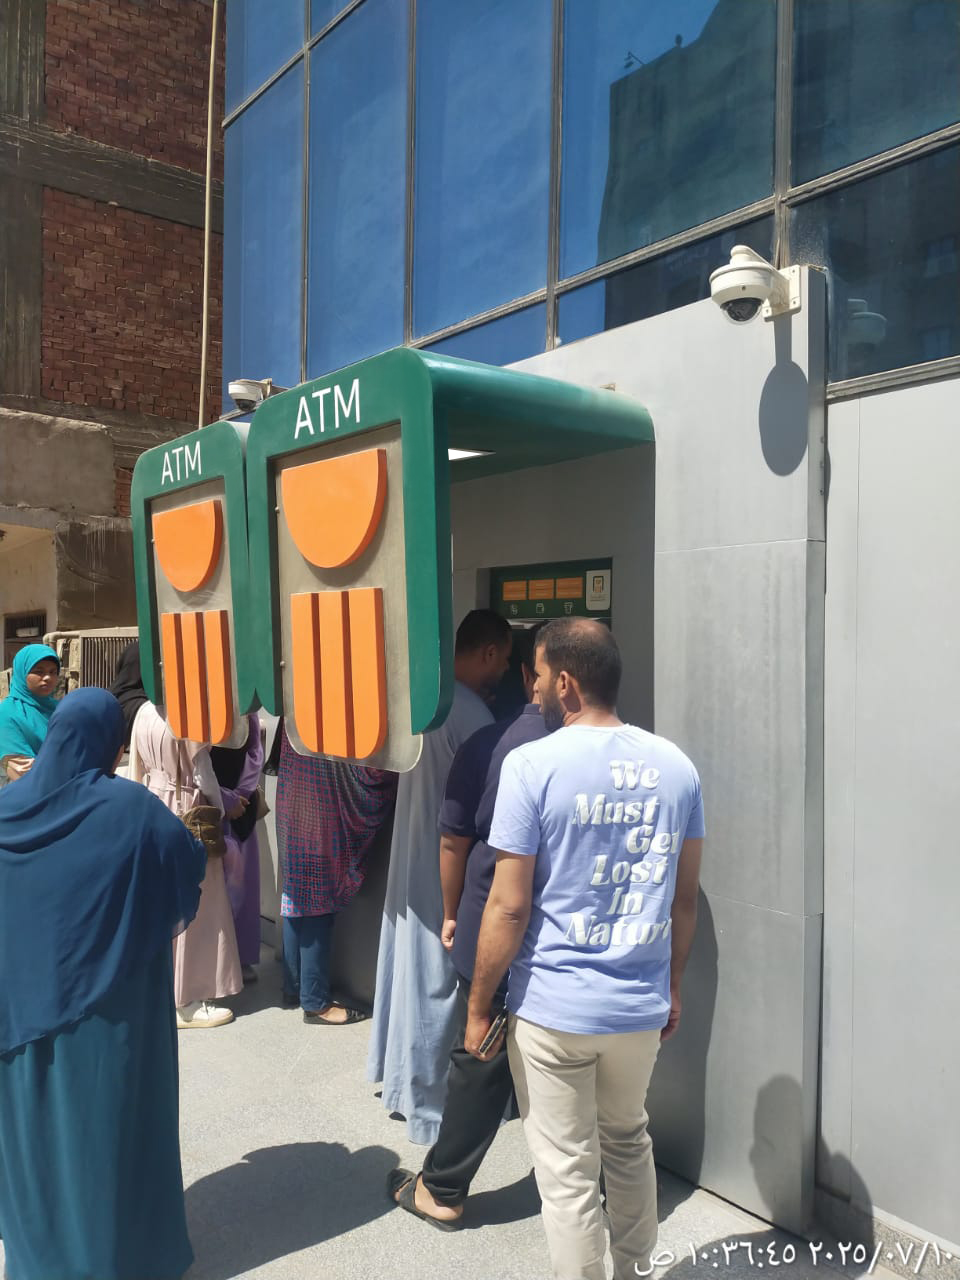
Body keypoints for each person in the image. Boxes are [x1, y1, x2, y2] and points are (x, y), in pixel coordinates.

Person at [465, 619, 705, 1280]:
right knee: (628, 1142)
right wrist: (672, 987)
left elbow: (508, 906)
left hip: (555, 1008)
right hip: (638, 1006)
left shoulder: (531, 766)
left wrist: (479, 1007)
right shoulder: (677, 767)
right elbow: (684, 900)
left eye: (540, 675)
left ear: (566, 682)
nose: (534, 688)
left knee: (567, 1174)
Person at [0, 688, 205, 1280]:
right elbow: (186, 862)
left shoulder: (6, 810)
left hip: (19, 1012)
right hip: (111, 1007)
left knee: (36, 1139)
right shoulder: (130, 809)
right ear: (110, 743)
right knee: (109, 1130)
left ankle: (40, 1261)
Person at [389, 624, 547, 1228]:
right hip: (582, 955)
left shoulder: (491, 739)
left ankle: (444, 1187)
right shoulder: (646, 758)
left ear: (536, 676)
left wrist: (452, 911)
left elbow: (456, 842)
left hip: (498, 935)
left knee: (481, 1050)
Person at [367, 608, 512, 1144]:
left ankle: (401, 1085)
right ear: (489, 652)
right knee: (438, 982)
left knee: (408, 968)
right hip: (449, 864)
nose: (506, 672)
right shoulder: (474, 716)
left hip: (411, 848)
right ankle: (431, 1108)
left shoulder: (424, 700)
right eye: (505, 660)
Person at [125, 648, 243, 1030]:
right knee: (198, 902)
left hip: (152, 804)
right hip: (187, 809)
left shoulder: (143, 711)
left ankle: (161, 990)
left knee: (160, 900)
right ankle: (187, 998)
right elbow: (204, 774)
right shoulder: (188, 718)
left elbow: (136, 769)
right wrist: (219, 812)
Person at [276, 724, 397, 1023]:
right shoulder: (331, 707)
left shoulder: (295, 703)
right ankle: (315, 1002)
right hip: (322, 806)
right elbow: (367, 771)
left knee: (295, 895)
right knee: (318, 901)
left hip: (291, 798)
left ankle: (293, 986)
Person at [211, 714, 265, 982]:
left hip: (238, 810)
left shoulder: (245, 709)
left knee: (242, 888)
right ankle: (216, 964)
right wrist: (228, 798)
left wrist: (239, 796)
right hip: (210, 806)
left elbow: (255, 750)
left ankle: (240, 959)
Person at [0, 642, 60, 784]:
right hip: (31, 791)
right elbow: (21, 771)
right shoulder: (7, 713)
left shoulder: (60, 708)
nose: (48, 678)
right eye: (39, 671)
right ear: (22, 673)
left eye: (53, 672)